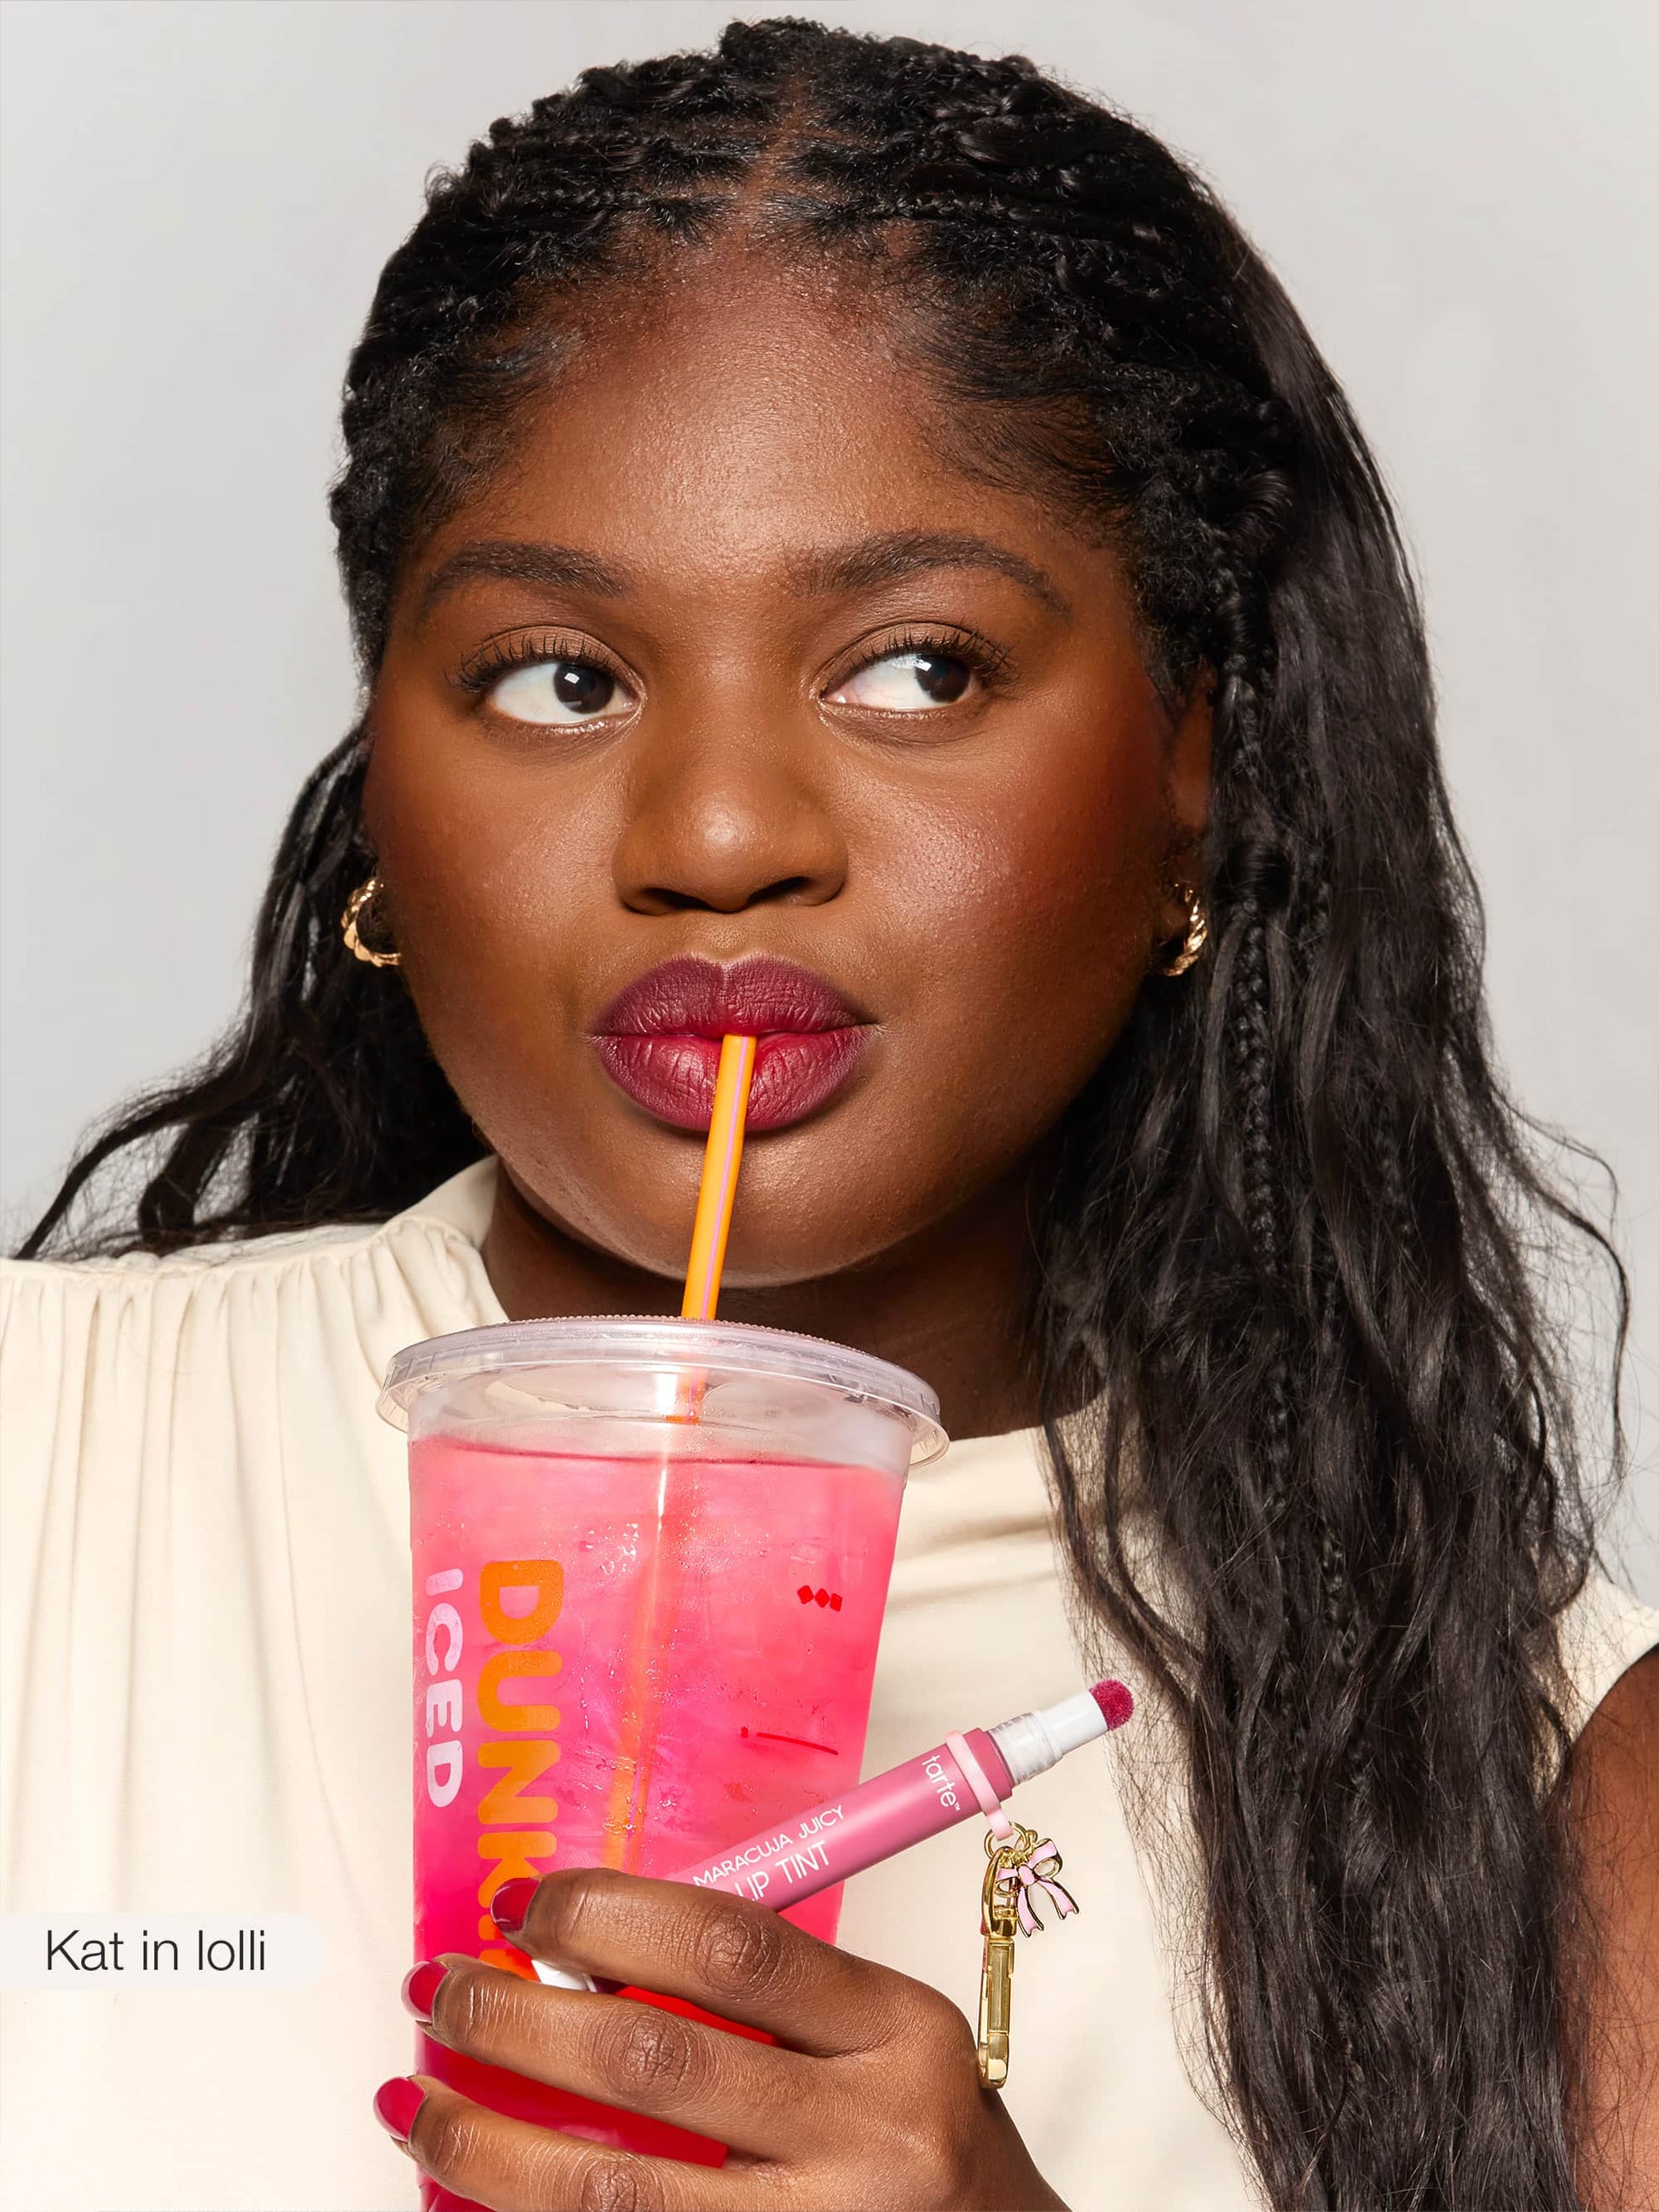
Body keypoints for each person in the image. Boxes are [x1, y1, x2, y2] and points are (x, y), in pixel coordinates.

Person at [3, 18, 1654, 2211]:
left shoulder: (1565, 1796)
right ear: (384, 783)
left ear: (1197, 762)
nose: (714, 833)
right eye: (558, 678)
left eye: (915, 667)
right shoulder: (39, 1468)